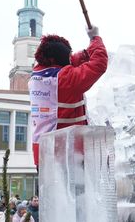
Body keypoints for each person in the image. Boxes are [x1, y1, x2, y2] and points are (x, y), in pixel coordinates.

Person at [28, 25, 108, 169]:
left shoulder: (37, 73)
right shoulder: (66, 80)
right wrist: (95, 38)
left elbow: (68, 62)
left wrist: (85, 54)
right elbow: (99, 64)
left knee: (49, 191)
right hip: (67, 153)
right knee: (74, 191)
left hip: (43, 150)